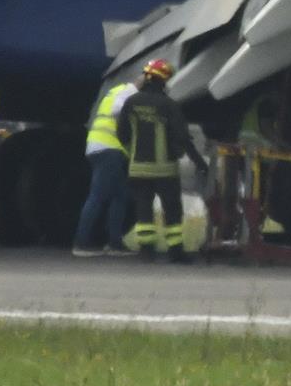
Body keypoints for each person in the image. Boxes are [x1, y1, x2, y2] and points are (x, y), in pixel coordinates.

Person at [119, 59, 205, 263]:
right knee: (172, 212)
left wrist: (132, 155)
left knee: (143, 209)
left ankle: (146, 251)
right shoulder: (169, 105)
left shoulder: (131, 103)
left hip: (138, 169)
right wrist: (198, 161)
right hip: (165, 169)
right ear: (163, 81)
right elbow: (182, 137)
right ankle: (176, 252)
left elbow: (122, 134)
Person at [73, 73, 137, 256]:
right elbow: (118, 111)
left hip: (102, 147)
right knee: (98, 197)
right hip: (109, 149)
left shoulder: (118, 90)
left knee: (120, 196)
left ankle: (115, 243)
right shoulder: (130, 93)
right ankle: (81, 243)